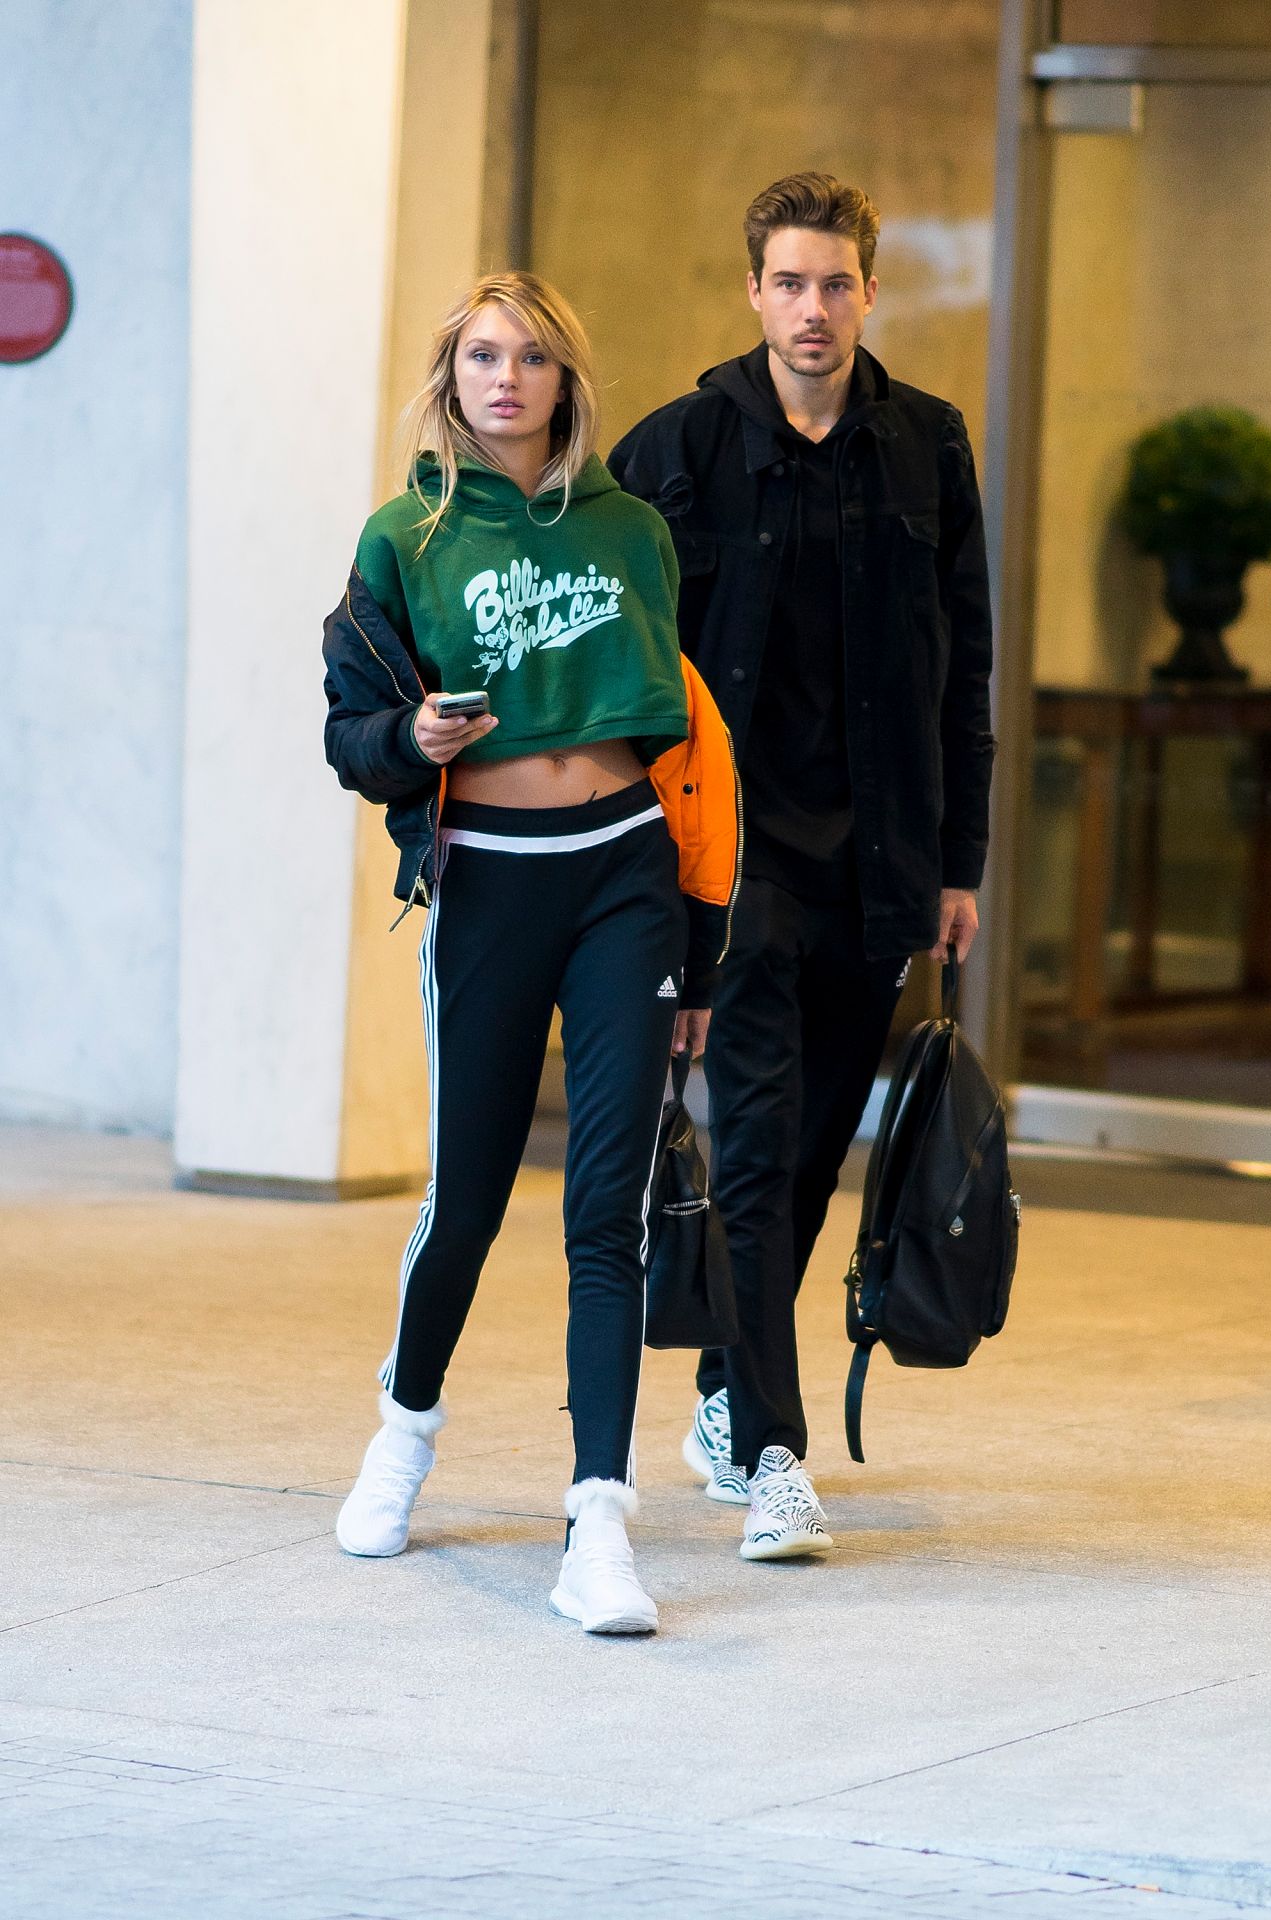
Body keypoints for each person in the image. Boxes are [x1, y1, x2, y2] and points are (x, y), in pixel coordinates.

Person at [321, 272, 738, 1634]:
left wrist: (704, 948)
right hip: (492, 885)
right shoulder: (407, 535)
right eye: (486, 356)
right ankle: (408, 1421)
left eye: (535, 358)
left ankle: (600, 1524)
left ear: (567, 381)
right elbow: (351, 732)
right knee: (472, 1197)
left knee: (603, 1209)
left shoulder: (630, 531)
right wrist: (415, 745)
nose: (509, 378)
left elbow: (690, 750)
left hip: (623, 873)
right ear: (453, 376)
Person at [609, 173, 995, 1560]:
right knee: (762, 1144)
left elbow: (968, 670)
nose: (814, 309)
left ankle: (725, 1394)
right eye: (789, 283)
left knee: (815, 1152)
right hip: (734, 854)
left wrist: (961, 861)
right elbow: (625, 665)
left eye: (836, 284)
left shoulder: (929, 449)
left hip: (878, 858)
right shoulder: (677, 448)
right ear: (753, 291)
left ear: (870, 292)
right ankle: (776, 1457)